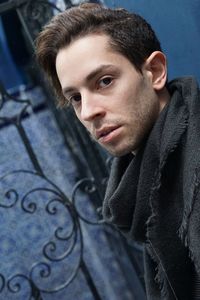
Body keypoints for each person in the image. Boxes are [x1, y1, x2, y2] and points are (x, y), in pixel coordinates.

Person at [35, 3, 200, 299]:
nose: (87, 112)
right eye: (75, 97)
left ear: (155, 71)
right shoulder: (144, 191)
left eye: (105, 81)